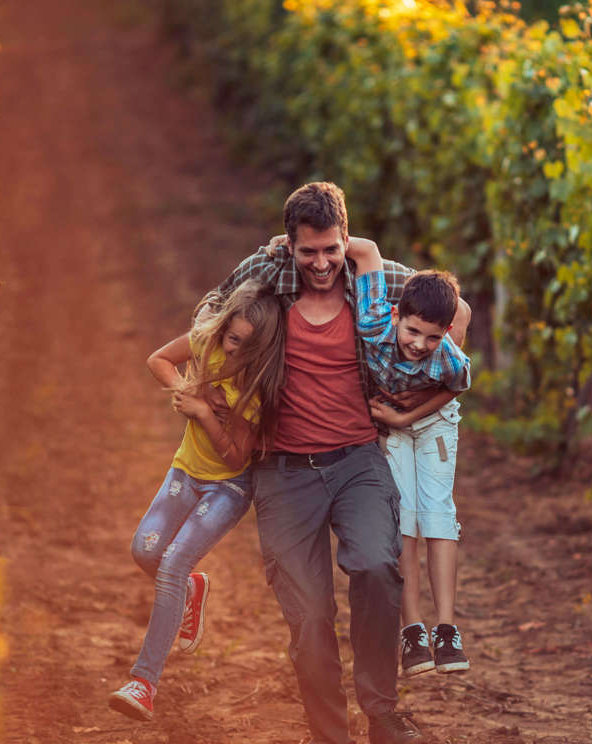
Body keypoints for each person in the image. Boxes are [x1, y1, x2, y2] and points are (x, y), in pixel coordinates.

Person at [211, 182, 469, 744]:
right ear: (292, 246)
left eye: (332, 249)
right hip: (282, 471)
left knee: (378, 567)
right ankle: (329, 732)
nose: (321, 263)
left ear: (346, 240)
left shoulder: (380, 281)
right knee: (308, 616)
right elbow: (211, 312)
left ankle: (381, 713)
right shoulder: (267, 278)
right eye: (308, 252)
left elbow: (457, 310)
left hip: (357, 459)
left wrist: (420, 386)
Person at [108, 280, 286, 721]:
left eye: (250, 348)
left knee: (170, 564)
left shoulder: (257, 389)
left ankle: (143, 683)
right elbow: (159, 360)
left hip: (228, 486)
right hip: (185, 471)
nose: (237, 353)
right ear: (223, 328)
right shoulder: (206, 343)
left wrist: (205, 414)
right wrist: (186, 390)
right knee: (144, 550)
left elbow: (237, 456)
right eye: (233, 340)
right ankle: (191, 589)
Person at [346, 237, 471, 677]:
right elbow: (364, 249)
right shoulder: (375, 320)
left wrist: (406, 418)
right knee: (405, 518)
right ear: (397, 315)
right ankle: (412, 628)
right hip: (394, 423)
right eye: (413, 331)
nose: (419, 344)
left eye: (433, 337)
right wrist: (287, 241)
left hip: (429, 422)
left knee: (437, 512)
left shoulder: (450, 358)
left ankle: (446, 627)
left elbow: (453, 389)